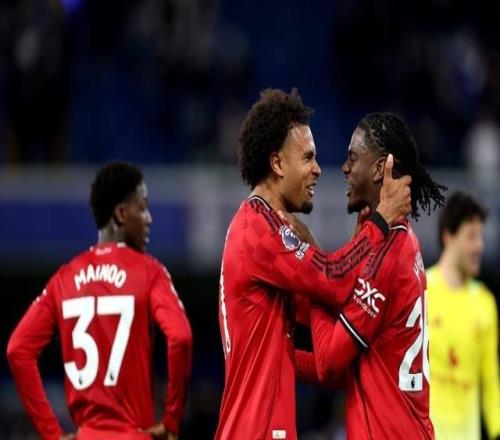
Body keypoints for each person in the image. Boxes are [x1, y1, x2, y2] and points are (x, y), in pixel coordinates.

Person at [215, 89, 412, 440]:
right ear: (278, 164)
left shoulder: (259, 228)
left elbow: (326, 310)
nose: (318, 169)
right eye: (308, 158)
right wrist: (380, 222)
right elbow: (332, 281)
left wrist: (352, 251)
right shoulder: (257, 230)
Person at [6, 161, 192, 440]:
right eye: (142, 208)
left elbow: (18, 349)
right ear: (121, 213)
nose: (149, 218)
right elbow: (181, 337)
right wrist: (172, 420)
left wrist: (51, 433)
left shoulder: (64, 278)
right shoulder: (149, 272)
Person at [294, 112, 447, 439]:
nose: (344, 168)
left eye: (353, 158)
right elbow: (346, 370)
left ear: (380, 169)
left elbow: (329, 362)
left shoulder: (388, 255)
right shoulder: (400, 241)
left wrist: (319, 284)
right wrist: (278, 357)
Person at [427, 191, 500, 440]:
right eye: (471, 236)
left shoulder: (485, 303)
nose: (479, 246)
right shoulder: (420, 291)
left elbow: (491, 382)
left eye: (480, 237)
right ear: (448, 237)